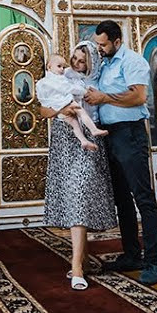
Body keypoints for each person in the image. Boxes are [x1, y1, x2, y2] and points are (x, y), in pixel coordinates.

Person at [83, 20, 157, 286]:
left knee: (143, 197)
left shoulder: (133, 61)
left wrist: (104, 97)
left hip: (130, 133)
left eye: (103, 44)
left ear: (117, 41)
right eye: (97, 44)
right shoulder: (104, 63)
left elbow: (138, 97)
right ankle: (131, 255)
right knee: (122, 199)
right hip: (109, 135)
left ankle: (152, 263)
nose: (99, 48)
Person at [38, 41, 117, 291]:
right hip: (65, 138)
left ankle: (81, 259)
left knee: (83, 196)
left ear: (91, 62)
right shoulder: (61, 78)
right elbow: (43, 111)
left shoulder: (100, 82)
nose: (75, 63)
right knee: (76, 197)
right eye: (73, 58)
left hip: (92, 139)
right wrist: (62, 108)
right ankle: (78, 265)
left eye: (81, 60)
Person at [37, 55, 108, 152]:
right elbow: (70, 88)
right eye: (59, 66)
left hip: (60, 108)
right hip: (63, 105)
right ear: (49, 67)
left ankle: (83, 141)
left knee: (74, 123)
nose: (62, 69)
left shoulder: (45, 81)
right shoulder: (58, 79)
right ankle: (93, 129)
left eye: (81, 61)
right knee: (81, 111)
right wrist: (85, 92)